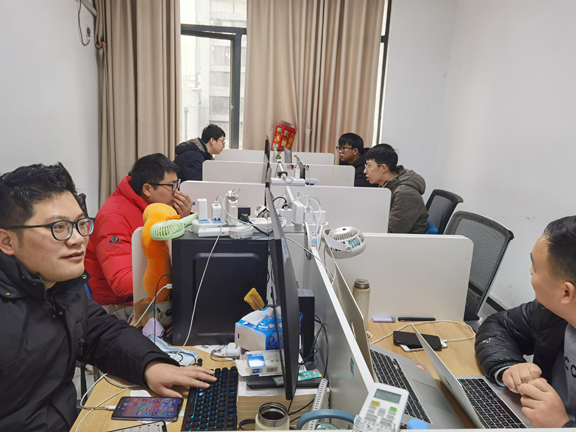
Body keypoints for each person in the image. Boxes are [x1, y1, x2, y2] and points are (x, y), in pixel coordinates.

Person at [0, 163, 216, 432]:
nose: (77, 239)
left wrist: (150, 364)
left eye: (80, 224)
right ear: (7, 242)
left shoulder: (58, 285)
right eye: (59, 227)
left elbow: (99, 331)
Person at [476, 216, 576, 428]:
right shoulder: (551, 312)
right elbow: (498, 325)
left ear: (566, 292)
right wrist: (508, 366)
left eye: (536, 268)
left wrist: (561, 426)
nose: (531, 271)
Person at [84, 154, 192, 318]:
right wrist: (175, 272)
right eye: (171, 186)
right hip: (120, 307)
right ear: (147, 189)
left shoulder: (153, 207)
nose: (176, 192)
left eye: (177, 184)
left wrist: (182, 219)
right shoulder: (114, 217)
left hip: (147, 297)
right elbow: (121, 283)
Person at [363, 144, 428, 234]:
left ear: (383, 168)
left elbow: (393, 232)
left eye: (369, 166)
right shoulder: (387, 186)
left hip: (405, 241)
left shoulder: (404, 193)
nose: (365, 171)